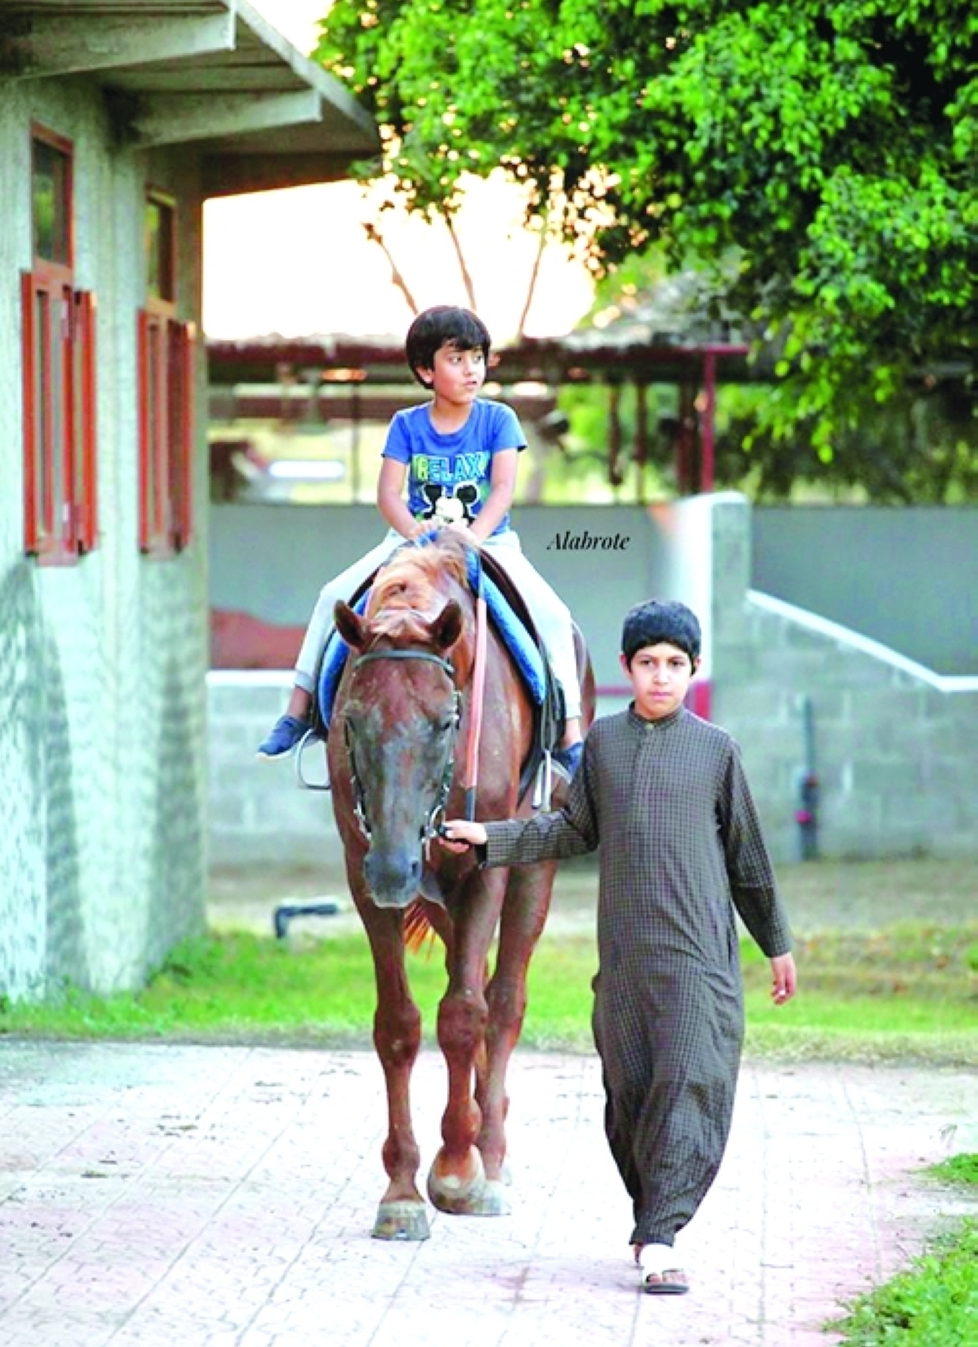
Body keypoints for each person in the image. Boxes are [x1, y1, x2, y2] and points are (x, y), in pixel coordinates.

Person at [442, 599, 797, 1296]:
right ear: (627, 670)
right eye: (647, 664)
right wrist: (493, 839)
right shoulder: (603, 744)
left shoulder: (716, 751)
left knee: (690, 1079)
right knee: (630, 1094)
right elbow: (571, 832)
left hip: (701, 959)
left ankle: (663, 1236)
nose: (660, 677)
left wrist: (776, 944)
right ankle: (651, 1219)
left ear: (694, 670)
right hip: (628, 965)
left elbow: (748, 859)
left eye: (674, 664)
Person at [257, 305, 584, 774]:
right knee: (332, 594)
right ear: (425, 370)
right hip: (411, 542)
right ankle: (298, 710)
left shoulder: (498, 420)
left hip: (489, 542)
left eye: (477, 357)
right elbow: (388, 493)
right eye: (456, 359)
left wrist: (471, 537)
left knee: (553, 614)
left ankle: (570, 732)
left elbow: (504, 490)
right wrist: (414, 533)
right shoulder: (407, 424)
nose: (471, 369)